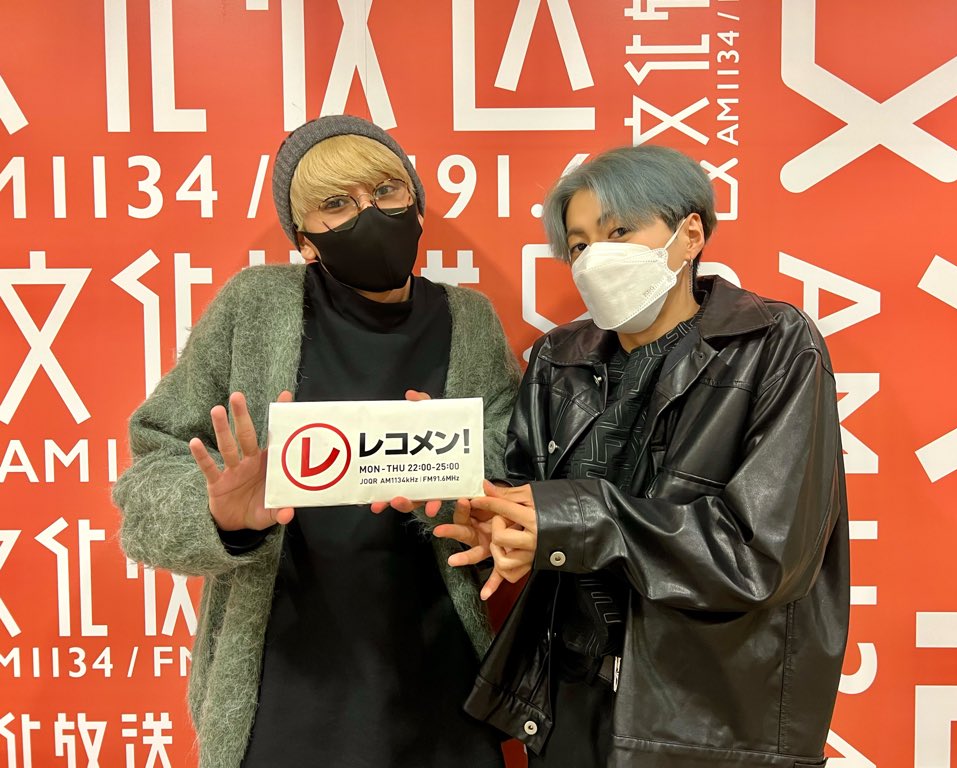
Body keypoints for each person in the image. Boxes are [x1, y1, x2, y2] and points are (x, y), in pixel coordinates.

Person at [112, 115, 520, 768]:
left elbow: (512, 462)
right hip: (286, 679)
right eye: (336, 203)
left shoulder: (469, 320)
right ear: (304, 240)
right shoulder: (254, 306)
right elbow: (153, 462)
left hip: (436, 671)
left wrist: (465, 490)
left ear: (415, 204)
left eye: (385, 191)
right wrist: (219, 516)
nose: (369, 213)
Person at [434, 145, 850, 767]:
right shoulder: (558, 359)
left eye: (619, 232)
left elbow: (763, 553)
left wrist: (573, 520)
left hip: (703, 720)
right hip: (567, 701)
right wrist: (495, 520)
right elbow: (527, 495)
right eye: (579, 245)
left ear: (690, 235)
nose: (595, 257)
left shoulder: (773, 344)